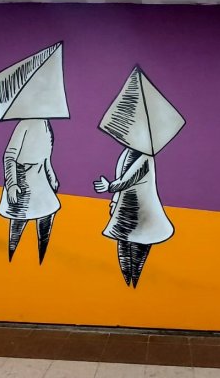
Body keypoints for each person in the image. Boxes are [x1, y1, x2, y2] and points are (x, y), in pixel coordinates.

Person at [94, 66, 185, 287]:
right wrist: (115, 201)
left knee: (140, 246)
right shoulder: (127, 153)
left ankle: (134, 283)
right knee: (124, 246)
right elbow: (122, 176)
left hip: (143, 212)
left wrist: (110, 187)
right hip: (126, 210)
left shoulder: (145, 157)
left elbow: (127, 179)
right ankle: (128, 284)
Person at [0, 42, 68, 263]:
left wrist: (51, 175)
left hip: (41, 179)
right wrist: (12, 184)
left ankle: (41, 259)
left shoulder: (46, 124)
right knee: (19, 222)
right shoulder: (24, 125)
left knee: (47, 217)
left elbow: (46, 157)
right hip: (22, 179)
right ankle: (11, 257)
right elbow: (9, 156)